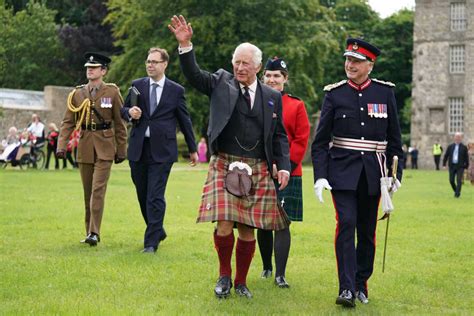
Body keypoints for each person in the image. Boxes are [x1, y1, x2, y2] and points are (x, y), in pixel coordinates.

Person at [169, 15, 291, 299]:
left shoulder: (272, 97)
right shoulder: (221, 82)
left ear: (258, 67)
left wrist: (282, 166)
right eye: (236, 61)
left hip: (258, 166)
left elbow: (279, 136)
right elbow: (194, 75)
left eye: (245, 63)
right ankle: (224, 276)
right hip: (225, 161)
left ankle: (241, 282)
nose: (239, 67)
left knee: (248, 228)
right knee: (224, 223)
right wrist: (185, 45)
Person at [311, 38, 403, 307]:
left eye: (356, 61)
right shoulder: (334, 94)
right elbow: (320, 143)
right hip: (342, 171)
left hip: (374, 172)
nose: (349, 65)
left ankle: (362, 283)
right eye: (348, 60)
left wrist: (396, 175)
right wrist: (320, 176)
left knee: (366, 230)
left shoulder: (385, 94)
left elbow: (394, 140)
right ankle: (346, 288)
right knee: (346, 223)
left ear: (369, 66)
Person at [121, 47, 198, 253]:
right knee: (142, 193)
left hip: (162, 151)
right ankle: (158, 229)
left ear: (164, 64)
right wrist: (130, 113)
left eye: (154, 62)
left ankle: (151, 243)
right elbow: (123, 110)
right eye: (148, 61)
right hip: (139, 148)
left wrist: (193, 148)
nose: (150, 65)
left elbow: (185, 120)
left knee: (155, 195)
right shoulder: (137, 85)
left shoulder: (176, 90)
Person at [57, 52, 127, 246]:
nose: (90, 70)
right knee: (88, 192)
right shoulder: (77, 94)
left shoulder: (112, 92)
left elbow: (120, 123)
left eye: (94, 68)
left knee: (98, 190)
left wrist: (121, 150)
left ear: (103, 71)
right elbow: (67, 123)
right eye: (88, 68)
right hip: (86, 146)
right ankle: (89, 231)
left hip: (105, 146)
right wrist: (61, 146)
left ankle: (94, 233)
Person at [257, 57, 310, 288]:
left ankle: (280, 274)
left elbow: (300, 140)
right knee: (261, 222)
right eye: (268, 75)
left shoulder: (296, 105)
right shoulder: (254, 101)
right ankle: (266, 267)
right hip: (259, 169)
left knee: (282, 222)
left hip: (289, 172)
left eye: (277, 76)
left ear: (285, 80)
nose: (272, 79)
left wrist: (284, 166)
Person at [442, 132, 469, 198]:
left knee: (459, 180)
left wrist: (466, 166)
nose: (457, 138)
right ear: (454, 138)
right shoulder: (450, 146)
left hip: (460, 166)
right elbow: (446, 156)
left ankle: (456, 195)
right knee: (451, 180)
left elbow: (466, 157)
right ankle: (457, 191)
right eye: (456, 137)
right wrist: (444, 164)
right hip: (452, 166)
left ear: (461, 138)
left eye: (459, 137)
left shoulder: (464, 147)